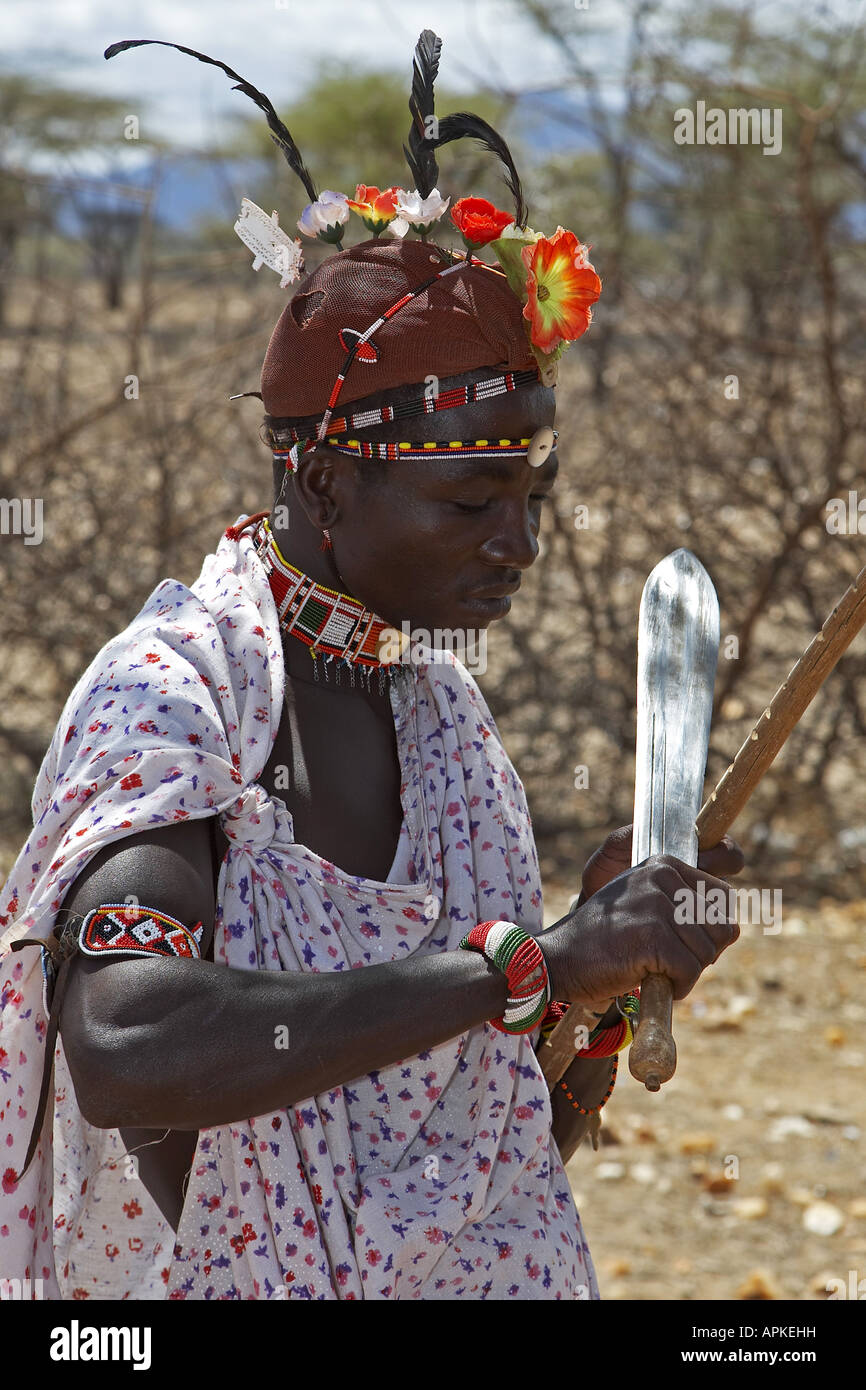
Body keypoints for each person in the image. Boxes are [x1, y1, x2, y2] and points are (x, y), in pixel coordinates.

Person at [0, 32, 742, 1300]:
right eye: (469, 504)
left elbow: (498, 1142)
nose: (518, 543)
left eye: (529, 496)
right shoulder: (179, 699)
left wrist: (604, 990)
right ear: (327, 481)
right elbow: (128, 1040)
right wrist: (529, 962)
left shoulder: (445, 726)